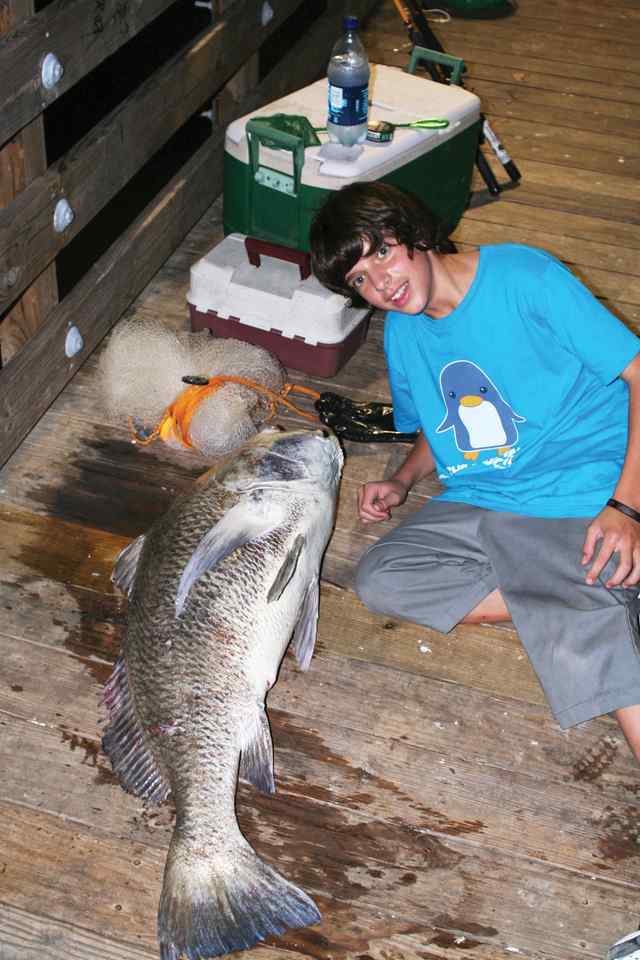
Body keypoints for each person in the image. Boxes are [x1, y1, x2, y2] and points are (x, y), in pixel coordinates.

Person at [309, 181, 640, 759]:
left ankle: (594, 582)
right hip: (488, 490)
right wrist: (403, 479)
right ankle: (589, 581)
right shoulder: (405, 330)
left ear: (413, 234)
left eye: (381, 252)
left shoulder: (523, 277)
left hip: (577, 481)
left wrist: (625, 509)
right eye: (360, 278)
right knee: (382, 576)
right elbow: (441, 431)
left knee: (578, 620)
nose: (381, 283)